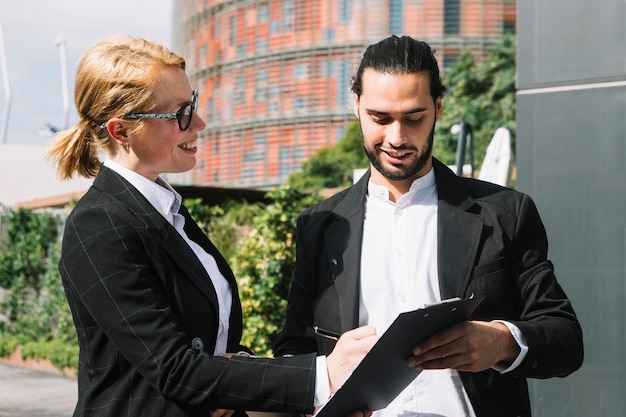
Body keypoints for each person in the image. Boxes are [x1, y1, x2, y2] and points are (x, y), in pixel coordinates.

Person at [48, 35, 378, 417]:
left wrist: (232, 375)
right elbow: (173, 369)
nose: (199, 122)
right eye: (180, 114)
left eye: (194, 104)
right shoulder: (99, 225)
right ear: (122, 131)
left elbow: (205, 351)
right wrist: (322, 376)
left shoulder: (165, 211)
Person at [274, 35, 583, 417]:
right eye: (380, 118)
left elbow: (565, 337)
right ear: (356, 107)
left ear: (438, 108)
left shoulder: (504, 212)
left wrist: (502, 341)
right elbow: (294, 349)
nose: (397, 137)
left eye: (414, 118)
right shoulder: (319, 225)